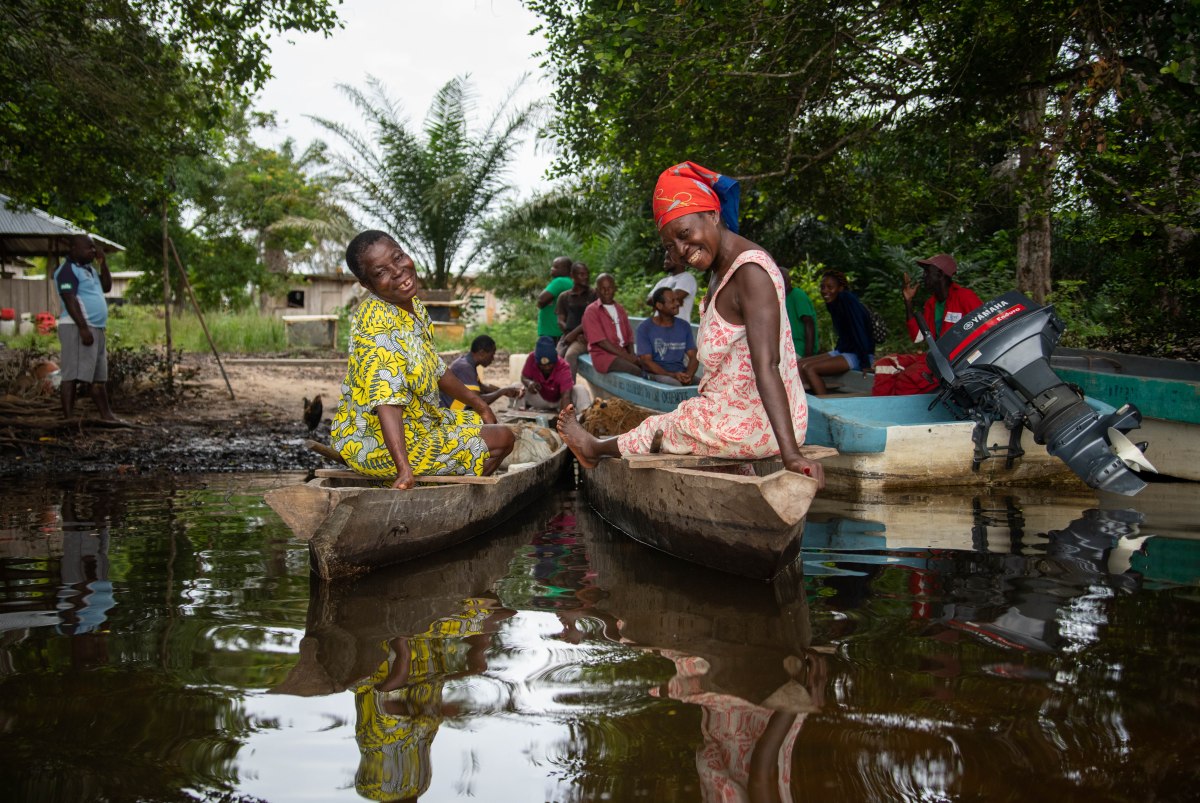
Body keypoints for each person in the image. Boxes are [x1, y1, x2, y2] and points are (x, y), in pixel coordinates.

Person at [556, 161, 825, 486]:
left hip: (762, 424)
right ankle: (735, 475)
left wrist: (791, 454)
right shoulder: (718, 274)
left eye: (685, 235)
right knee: (678, 415)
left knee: (668, 424)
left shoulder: (749, 272)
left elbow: (768, 364)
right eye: (671, 246)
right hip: (735, 411)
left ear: (712, 215)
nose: (682, 252)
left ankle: (593, 447)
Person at [330, 231, 514, 489]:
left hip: (420, 423)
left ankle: (444, 483)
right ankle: (444, 492)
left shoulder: (412, 306)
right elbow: (387, 402)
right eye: (381, 272)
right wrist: (404, 470)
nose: (398, 271)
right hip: (377, 443)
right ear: (367, 285)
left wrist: (481, 406)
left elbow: (436, 368)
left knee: (487, 423)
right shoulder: (377, 327)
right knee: (503, 438)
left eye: (398, 257)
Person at [874, 253, 984, 396]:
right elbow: (918, 337)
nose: (923, 276)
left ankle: (901, 412)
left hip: (954, 361)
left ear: (940, 274)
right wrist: (908, 301)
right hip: (934, 357)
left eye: (927, 272)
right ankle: (880, 408)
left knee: (907, 379)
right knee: (885, 364)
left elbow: (984, 328)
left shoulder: (965, 297)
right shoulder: (931, 303)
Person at [54, 234, 118, 421]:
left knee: (99, 378)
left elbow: (106, 287)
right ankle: (69, 420)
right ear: (74, 249)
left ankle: (107, 416)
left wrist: (103, 263)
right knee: (71, 375)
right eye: (88, 247)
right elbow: (69, 298)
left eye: (93, 248)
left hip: (96, 328)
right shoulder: (67, 270)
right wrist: (83, 328)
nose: (93, 250)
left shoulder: (89, 270)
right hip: (77, 328)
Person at [795, 270, 875, 396]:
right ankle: (803, 399)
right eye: (822, 287)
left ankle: (824, 405)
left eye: (830, 287)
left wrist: (865, 363)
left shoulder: (847, 300)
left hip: (859, 355)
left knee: (810, 369)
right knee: (798, 364)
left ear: (841, 288)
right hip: (845, 351)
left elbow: (859, 331)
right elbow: (845, 332)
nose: (825, 290)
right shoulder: (834, 302)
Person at [582, 273, 644, 377]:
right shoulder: (591, 311)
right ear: (597, 291)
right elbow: (602, 343)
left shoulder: (620, 309)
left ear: (615, 289)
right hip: (604, 356)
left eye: (610, 288)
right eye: (602, 288)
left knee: (647, 364)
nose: (606, 291)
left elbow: (629, 337)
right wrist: (629, 358)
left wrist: (632, 355)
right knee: (636, 370)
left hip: (622, 353)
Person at [635, 286, 698, 386]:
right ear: (659, 306)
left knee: (706, 386)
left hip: (680, 373)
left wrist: (688, 376)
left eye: (676, 299)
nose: (677, 303)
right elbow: (646, 361)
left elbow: (694, 356)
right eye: (672, 301)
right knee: (675, 385)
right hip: (656, 374)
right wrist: (673, 375)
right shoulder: (645, 328)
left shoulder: (684, 326)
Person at [438, 334, 522, 410]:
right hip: (451, 413)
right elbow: (477, 402)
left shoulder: (466, 362)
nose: (492, 359)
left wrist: (505, 390)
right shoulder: (465, 368)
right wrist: (501, 392)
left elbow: (482, 387)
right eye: (492, 355)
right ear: (482, 353)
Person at [520, 336, 591, 412]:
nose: (546, 368)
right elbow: (524, 377)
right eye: (542, 365)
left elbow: (566, 397)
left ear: (555, 360)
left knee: (580, 389)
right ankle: (517, 415)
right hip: (540, 398)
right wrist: (529, 383)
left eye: (550, 365)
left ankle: (585, 417)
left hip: (559, 401)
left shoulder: (563, 366)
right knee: (516, 387)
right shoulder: (531, 358)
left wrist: (563, 419)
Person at [554, 261, 597, 376]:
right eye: (581, 274)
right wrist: (570, 334)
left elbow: (593, 320)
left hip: (586, 338)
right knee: (555, 357)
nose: (585, 277)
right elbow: (560, 321)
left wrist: (577, 335)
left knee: (570, 355)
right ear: (572, 276)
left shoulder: (593, 295)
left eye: (586, 274)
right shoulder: (564, 296)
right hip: (568, 335)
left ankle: (568, 390)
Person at [647, 249, 699, 322]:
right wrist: (669, 300)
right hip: (659, 327)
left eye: (669, 258)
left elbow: (675, 298)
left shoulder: (687, 278)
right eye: (665, 258)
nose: (665, 261)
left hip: (678, 328)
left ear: (680, 260)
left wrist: (658, 300)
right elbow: (648, 300)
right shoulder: (662, 281)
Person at [536, 255, 574, 343]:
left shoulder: (560, 281)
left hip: (552, 331)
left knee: (547, 356)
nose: (552, 268)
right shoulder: (570, 282)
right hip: (561, 331)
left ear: (566, 269)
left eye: (556, 267)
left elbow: (541, 301)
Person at [782, 271, 819, 360]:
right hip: (787, 347)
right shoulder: (782, 298)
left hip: (799, 349)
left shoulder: (797, 295)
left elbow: (809, 323)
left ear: (788, 280)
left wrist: (808, 357)